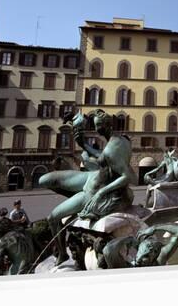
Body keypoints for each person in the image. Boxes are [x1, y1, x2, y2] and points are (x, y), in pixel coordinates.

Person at [38, 109, 136, 265]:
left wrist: (102, 192)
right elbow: (104, 157)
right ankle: (73, 200)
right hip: (91, 176)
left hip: (93, 190)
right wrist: (84, 144)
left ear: (107, 125)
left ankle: (62, 254)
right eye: (95, 125)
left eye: (98, 126)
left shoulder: (113, 147)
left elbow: (128, 177)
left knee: (52, 218)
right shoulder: (118, 140)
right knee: (44, 180)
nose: (96, 129)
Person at [102, 223, 178, 268]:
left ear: (154, 255)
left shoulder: (159, 260)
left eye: (145, 256)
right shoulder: (128, 268)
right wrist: (128, 239)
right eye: (138, 255)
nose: (138, 260)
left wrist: (154, 228)